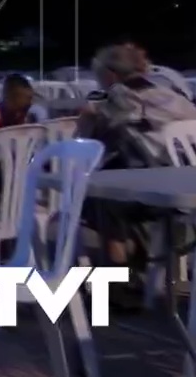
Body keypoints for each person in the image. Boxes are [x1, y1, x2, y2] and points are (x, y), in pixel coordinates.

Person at [77, 44, 196, 285]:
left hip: (163, 196)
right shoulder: (171, 95)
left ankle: (123, 285)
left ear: (110, 74)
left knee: (101, 200)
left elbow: (88, 147)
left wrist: (87, 118)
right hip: (187, 187)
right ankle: (136, 263)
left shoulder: (117, 99)